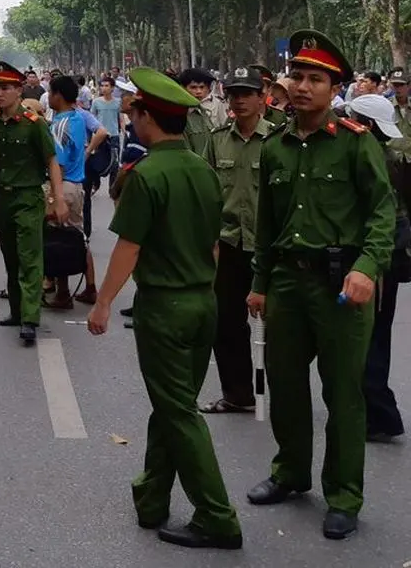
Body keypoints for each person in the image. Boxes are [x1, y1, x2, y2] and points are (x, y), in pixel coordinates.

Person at [245, 30, 395, 541]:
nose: (304, 86)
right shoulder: (275, 148)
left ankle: (344, 496)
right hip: (287, 281)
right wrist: (260, 282)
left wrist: (367, 267)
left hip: (340, 285)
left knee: (344, 394)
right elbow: (266, 223)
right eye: (298, 76)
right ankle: (290, 472)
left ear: (335, 88)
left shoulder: (356, 142)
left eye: (317, 79)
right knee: (285, 385)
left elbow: (383, 212)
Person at [87, 67, 242, 550]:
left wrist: (103, 303)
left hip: (165, 307)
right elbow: (215, 245)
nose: (130, 118)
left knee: (178, 412)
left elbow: (128, 249)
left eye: (134, 111)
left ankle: (217, 516)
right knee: (172, 405)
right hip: (204, 302)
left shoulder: (146, 174)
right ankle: (152, 496)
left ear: (148, 118)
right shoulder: (203, 169)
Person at [198, 66, 271, 414]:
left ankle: (282, 394)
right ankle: (238, 394)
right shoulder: (217, 138)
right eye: (233, 93)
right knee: (226, 322)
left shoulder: (277, 139)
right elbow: (208, 193)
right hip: (228, 244)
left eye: (247, 93)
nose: (239, 100)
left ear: (262, 98)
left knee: (280, 326)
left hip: (268, 246)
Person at [0, 62, 67, 345]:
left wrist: (57, 200)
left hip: (28, 197)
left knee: (30, 258)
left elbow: (51, 162)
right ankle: (16, 311)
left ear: (19, 91)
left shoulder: (34, 124)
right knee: (10, 255)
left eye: (5, 88)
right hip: (2, 197)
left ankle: (30, 318)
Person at [345, 94, 407, 444]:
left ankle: (380, 413)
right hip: (385, 257)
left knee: (371, 338)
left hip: (380, 259)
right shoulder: (389, 156)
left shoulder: (380, 161)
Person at [45, 76, 103, 309]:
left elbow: (57, 164)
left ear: (58, 95)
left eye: (50, 92)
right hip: (77, 185)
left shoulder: (59, 124)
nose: (48, 97)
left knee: (59, 239)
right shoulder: (79, 117)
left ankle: (63, 292)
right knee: (78, 238)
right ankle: (89, 287)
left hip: (63, 186)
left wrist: (55, 196)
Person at [178, 68, 223, 156]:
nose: (198, 92)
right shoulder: (180, 110)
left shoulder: (218, 105)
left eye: (202, 87)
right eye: (193, 87)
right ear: (184, 88)